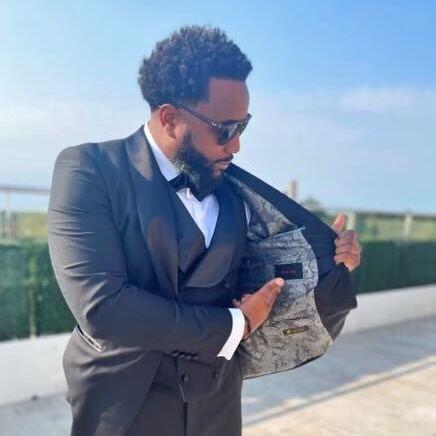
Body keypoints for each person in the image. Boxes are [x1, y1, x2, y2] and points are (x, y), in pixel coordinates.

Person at [47, 25, 361, 436]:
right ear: (170, 118)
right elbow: (102, 307)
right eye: (225, 129)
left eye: (243, 127)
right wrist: (235, 325)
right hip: (121, 402)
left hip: (217, 399)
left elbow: (263, 281)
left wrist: (329, 263)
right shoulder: (89, 170)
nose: (236, 146)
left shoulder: (238, 192)